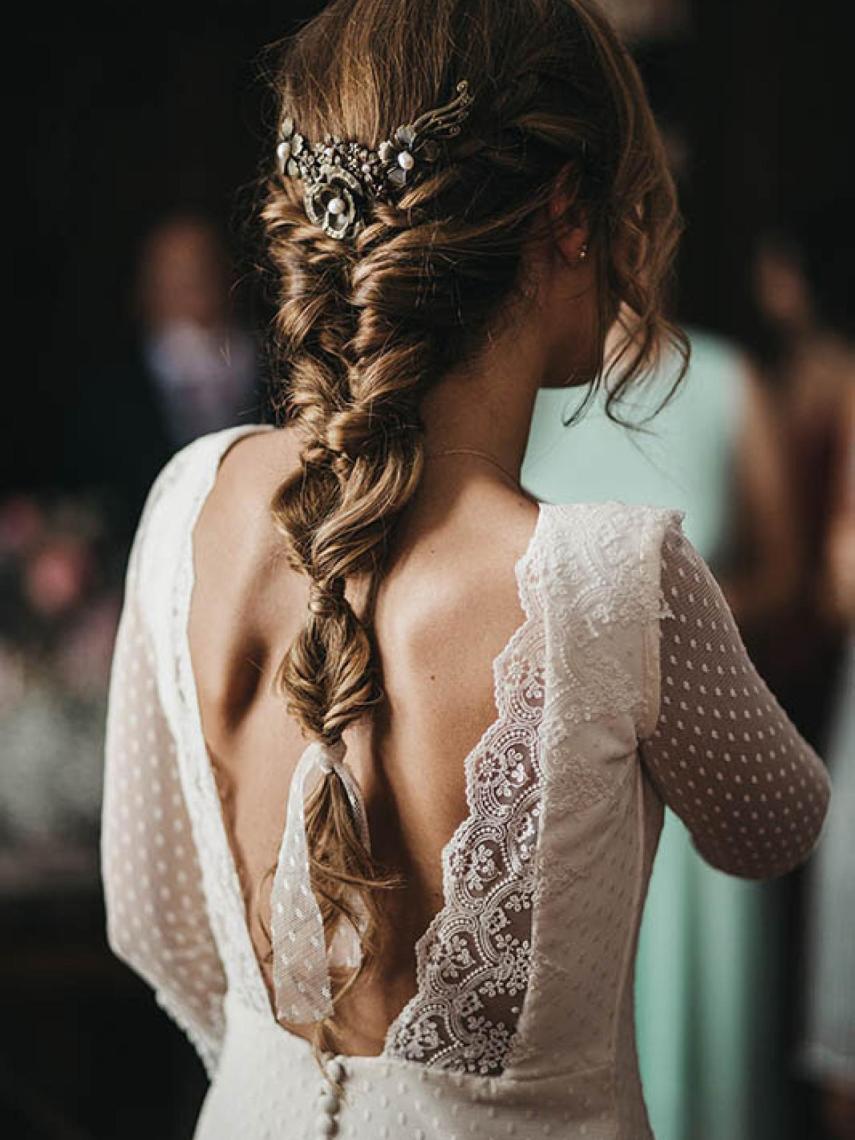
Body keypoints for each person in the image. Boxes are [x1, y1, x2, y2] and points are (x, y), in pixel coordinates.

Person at [99, 3, 831, 1138]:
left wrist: (283, 1073)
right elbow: (773, 825)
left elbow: (152, 917)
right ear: (570, 217)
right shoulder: (613, 577)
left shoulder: (188, 502)